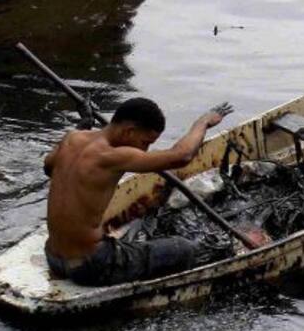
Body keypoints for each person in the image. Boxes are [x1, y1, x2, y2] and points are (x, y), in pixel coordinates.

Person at [42, 97, 235, 286]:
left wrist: (84, 125)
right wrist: (203, 122)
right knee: (183, 248)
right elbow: (182, 156)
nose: (147, 149)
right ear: (128, 131)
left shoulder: (72, 139)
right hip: (91, 266)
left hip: (53, 257)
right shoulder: (112, 156)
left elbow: (49, 168)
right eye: (145, 142)